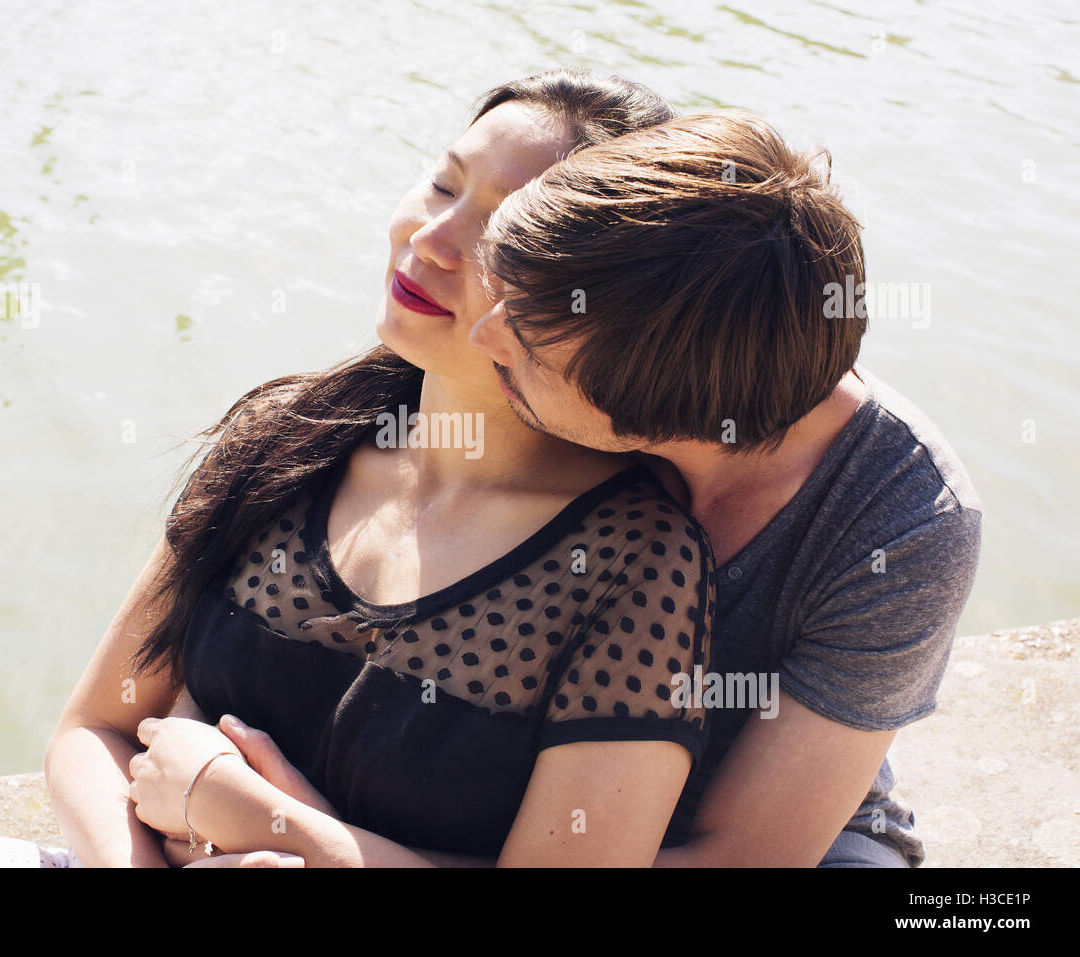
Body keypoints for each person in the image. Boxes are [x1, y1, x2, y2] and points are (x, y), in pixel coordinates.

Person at [51, 69, 718, 868]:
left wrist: (278, 827)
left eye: (502, 233)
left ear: (595, 300)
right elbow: (98, 728)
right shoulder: (285, 439)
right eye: (443, 184)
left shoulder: (637, 565)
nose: (432, 238)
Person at [466, 109, 983, 866]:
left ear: (653, 416)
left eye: (527, 342)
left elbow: (743, 856)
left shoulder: (905, 522)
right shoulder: (629, 296)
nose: (483, 336)